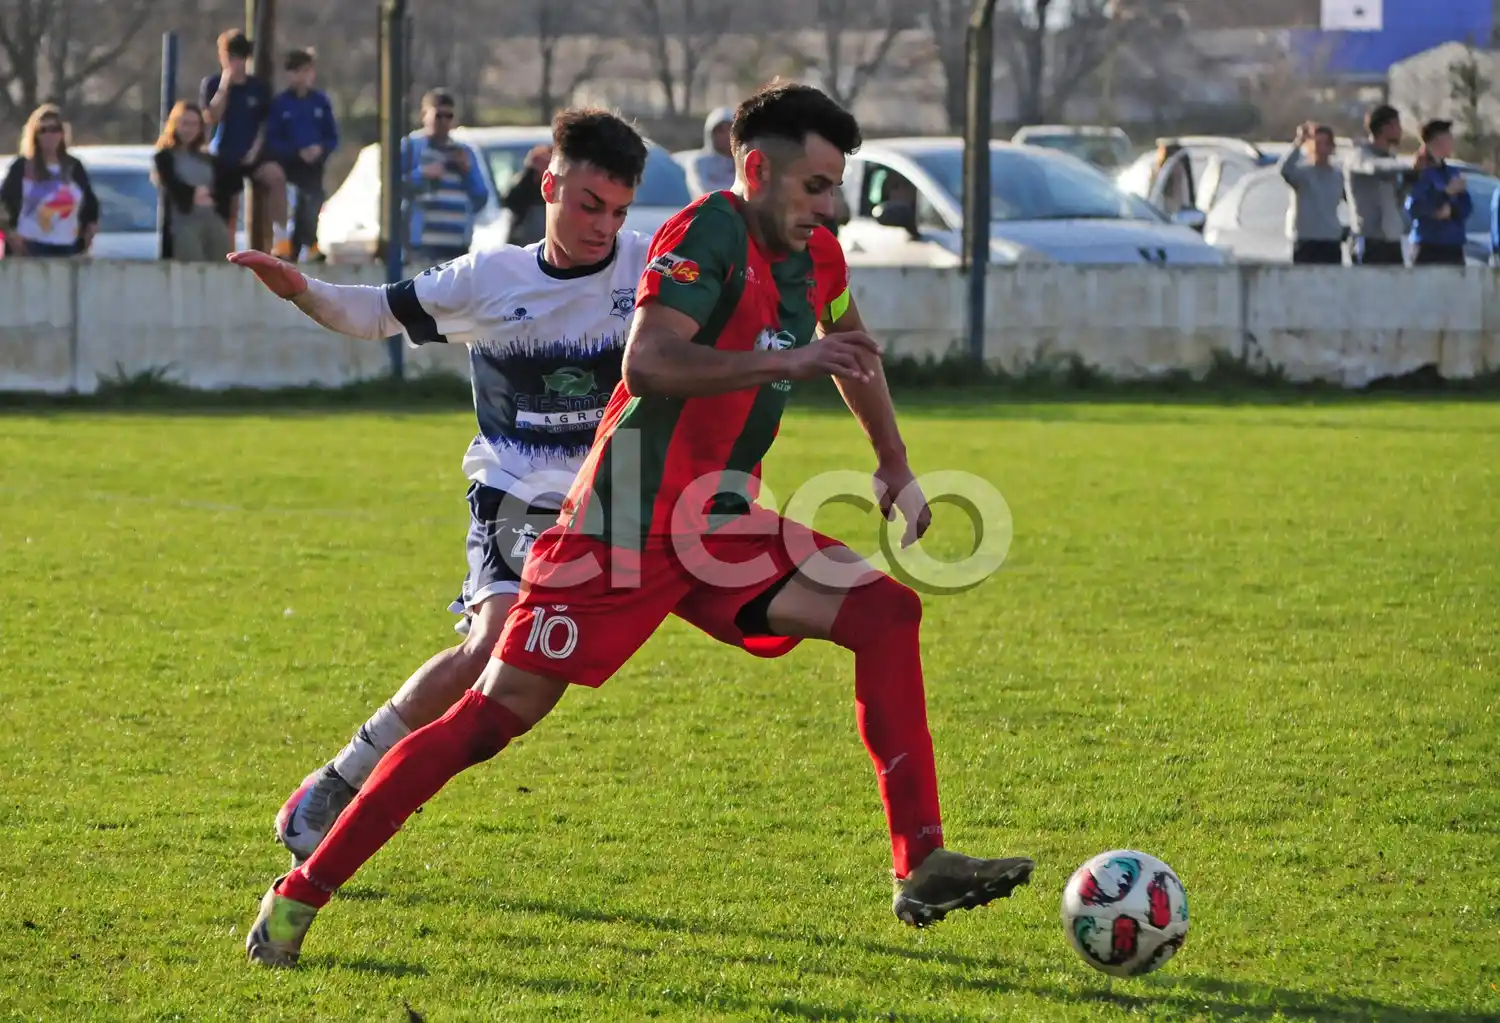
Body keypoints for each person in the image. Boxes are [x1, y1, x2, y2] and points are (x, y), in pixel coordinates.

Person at [245, 82, 1034, 969]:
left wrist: (893, 460)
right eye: (815, 185)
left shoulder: (819, 258)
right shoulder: (706, 233)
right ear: (757, 168)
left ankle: (920, 861)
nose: (830, 205)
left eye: (834, 186)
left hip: (719, 521)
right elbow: (650, 362)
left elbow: (853, 349)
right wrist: (798, 357)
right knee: (491, 716)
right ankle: (299, 893)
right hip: (617, 525)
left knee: (887, 612)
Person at [230, 109, 654, 873]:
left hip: (612, 503)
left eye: (619, 211)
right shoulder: (489, 277)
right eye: (590, 204)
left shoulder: (649, 266)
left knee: (526, 692)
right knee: (490, 643)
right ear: (549, 184)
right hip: (517, 489)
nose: (604, 226)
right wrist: (300, 288)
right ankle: (342, 779)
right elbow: (372, 313)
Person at [201, 29, 291, 256]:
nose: (235, 63)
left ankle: (281, 241)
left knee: (276, 177)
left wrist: (254, 151)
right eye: (230, 57)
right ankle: (229, 251)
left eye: (239, 58)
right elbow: (212, 117)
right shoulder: (212, 84)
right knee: (229, 204)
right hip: (224, 155)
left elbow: (264, 124)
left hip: (252, 154)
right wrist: (225, 86)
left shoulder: (258, 88)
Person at [401, 89, 490, 265]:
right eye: (438, 115)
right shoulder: (411, 148)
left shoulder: (465, 151)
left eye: (449, 116)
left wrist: (467, 172)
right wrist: (422, 174)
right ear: (424, 115)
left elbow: (481, 198)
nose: (443, 121)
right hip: (422, 245)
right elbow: (393, 189)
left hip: (456, 245)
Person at [266, 48, 339, 262]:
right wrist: (296, 152)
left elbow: (332, 135)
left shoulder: (320, 102)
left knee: (313, 201)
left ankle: (308, 244)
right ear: (289, 74)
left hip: (314, 165)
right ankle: (290, 246)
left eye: (307, 71)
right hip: (290, 165)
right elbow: (273, 138)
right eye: (298, 72)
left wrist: (321, 149)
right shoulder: (281, 104)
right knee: (294, 202)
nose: (303, 77)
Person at [0, 104, 99, 258]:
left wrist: (89, 231)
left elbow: (90, 203)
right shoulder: (22, 167)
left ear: (62, 133)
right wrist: (11, 235)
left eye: (55, 129)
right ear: (35, 135)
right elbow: (4, 203)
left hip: (68, 246)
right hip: (30, 246)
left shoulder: (74, 167)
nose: (49, 135)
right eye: (43, 130)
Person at [153, 102, 234, 262]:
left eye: (194, 124)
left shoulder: (208, 159)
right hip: (183, 222)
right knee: (191, 266)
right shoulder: (165, 157)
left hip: (211, 219)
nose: (189, 129)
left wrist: (212, 196)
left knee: (221, 265)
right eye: (185, 124)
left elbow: (224, 189)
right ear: (175, 125)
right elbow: (171, 186)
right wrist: (193, 193)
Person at [1345, 104, 1409, 266]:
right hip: (1368, 240)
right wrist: (1409, 166)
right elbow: (1373, 167)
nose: (1401, 130)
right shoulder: (1360, 155)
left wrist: (1412, 179)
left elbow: (1397, 200)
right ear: (1385, 128)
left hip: (1391, 239)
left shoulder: (1391, 160)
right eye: (1397, 125)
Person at [1406, 120, 1470, 267]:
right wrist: (1446, 193)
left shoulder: (1452, 172)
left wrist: (1452, 211)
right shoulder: (1420, 172)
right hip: (1429, 246)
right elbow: (1414, 207)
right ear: (1437, 140)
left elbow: (1467, 205)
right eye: (1449, 138)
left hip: (1453, 245)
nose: (1452, 142)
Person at [1279, 122, 1345, 265]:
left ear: (1331, 147)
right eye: (1316, 143)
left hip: (1331, 241)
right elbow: (1284, 170)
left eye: (1324, 143)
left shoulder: (1338, 176)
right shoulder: (1302, 174)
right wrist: (1299, 142)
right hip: (1306, 240)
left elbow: (1351, 199)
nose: (1319, 148)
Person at [678, 106, 737, 196]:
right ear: (711, 134)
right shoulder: (699, 163)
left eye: (730, 129)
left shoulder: (742, 163)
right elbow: (705, 193)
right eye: (720, 130)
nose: (727, 135)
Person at [501, 143, 551, 247]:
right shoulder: (525, 186)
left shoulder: (557, 189)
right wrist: (531, 170)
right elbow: (509, 200)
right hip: (523, 243)